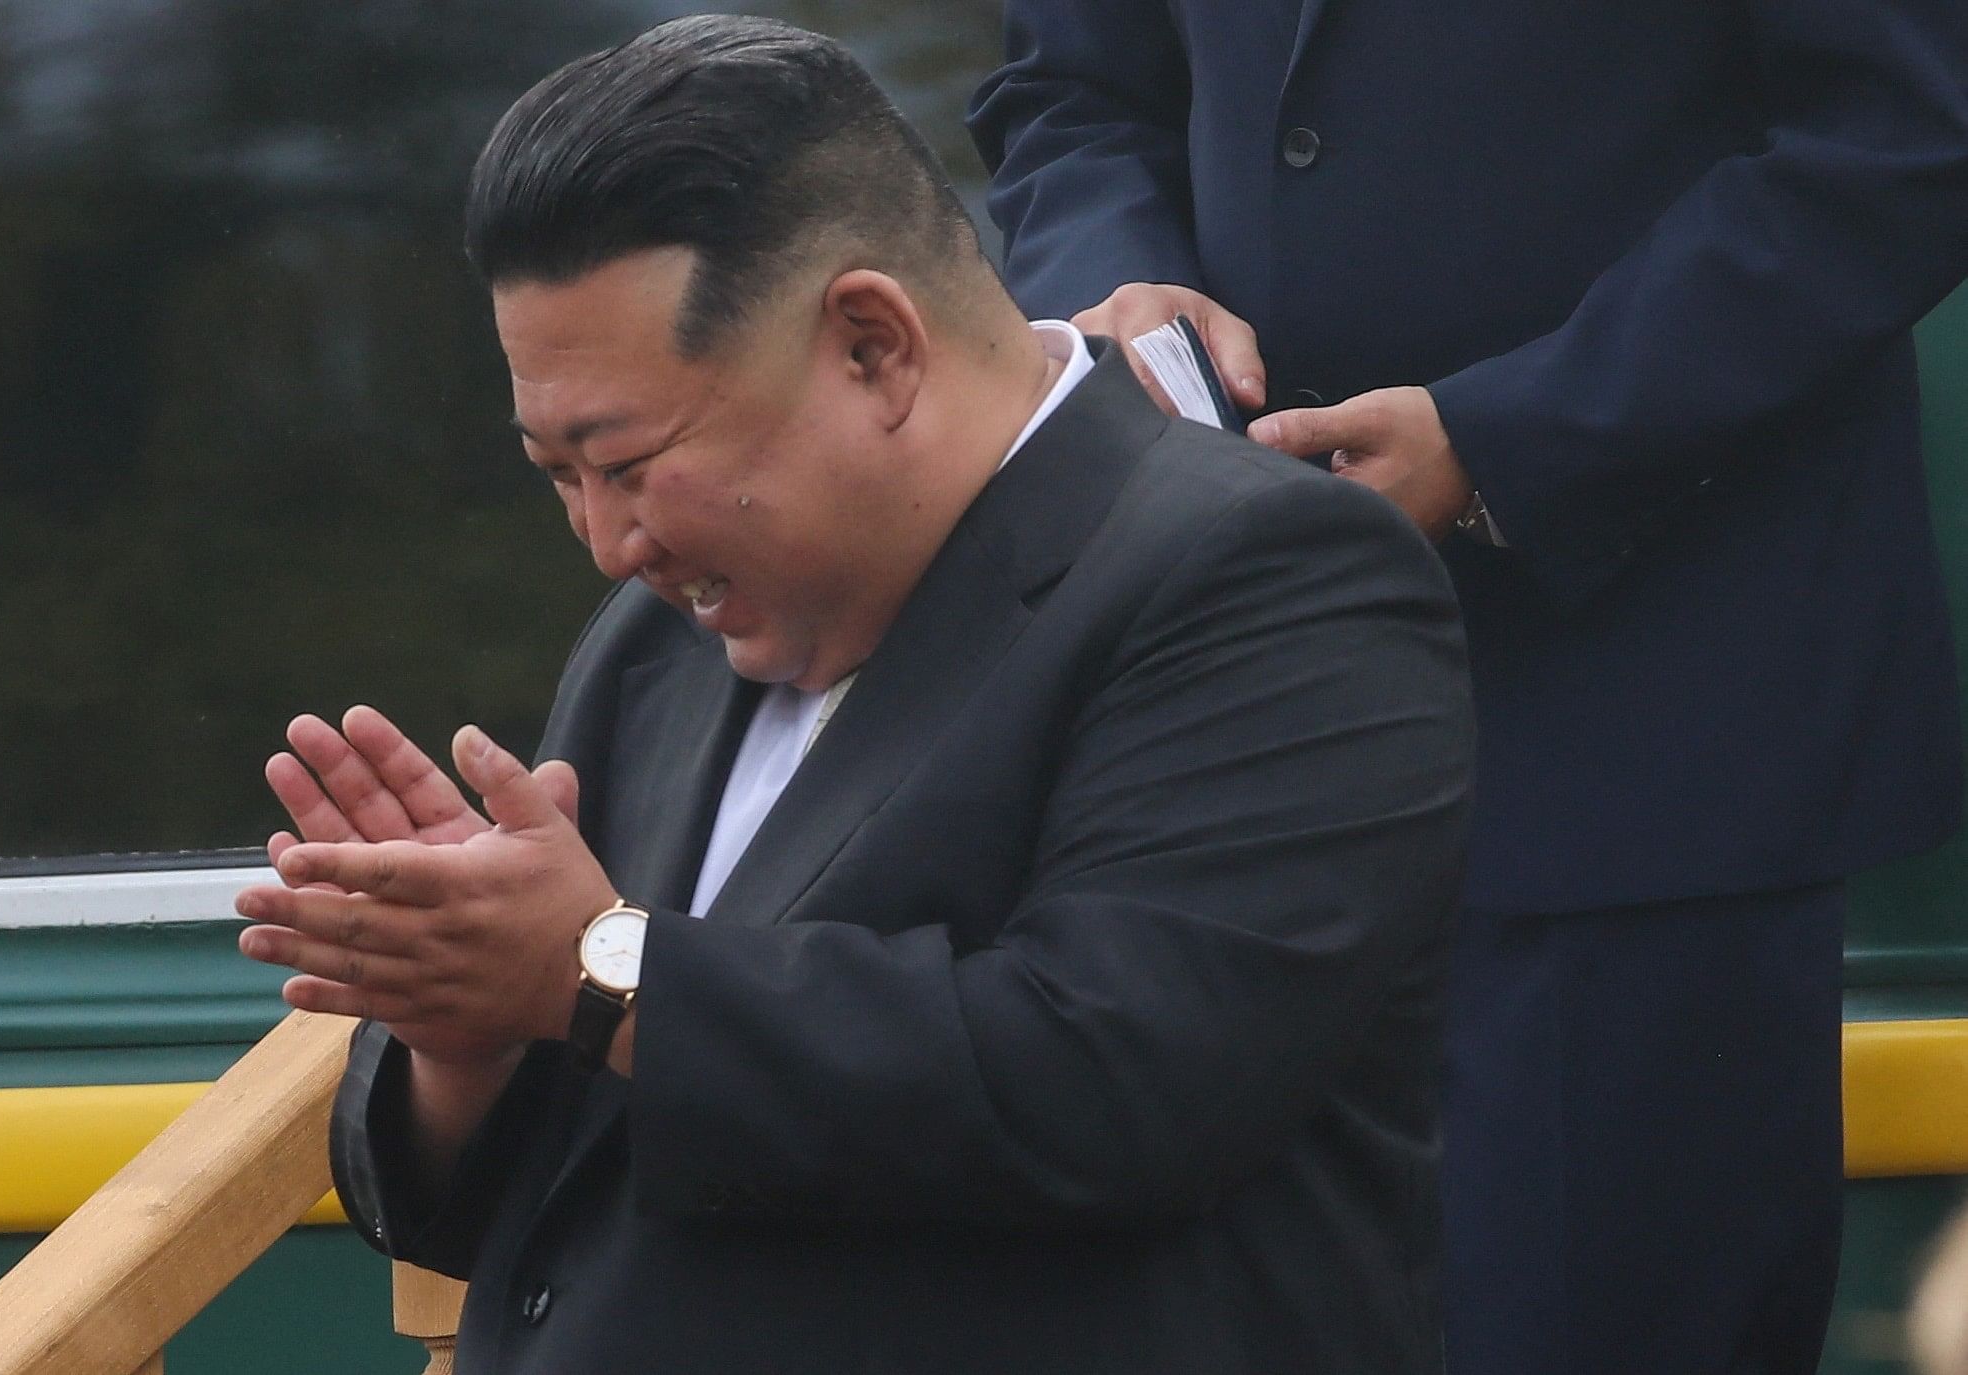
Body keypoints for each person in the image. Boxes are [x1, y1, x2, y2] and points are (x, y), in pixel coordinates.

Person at [235, 16, 1472, 1373]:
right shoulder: (651, 643)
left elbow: (1110, 1088)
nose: (605, 541)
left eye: (629, 461)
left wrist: (587, 970)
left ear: (872, 345)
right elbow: (513, 1203)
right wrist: (462, 1029)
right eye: (554, 474)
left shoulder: (1264, 573)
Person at [967, 3, 1968, 1371]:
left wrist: (1513, 441)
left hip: (1642, 747)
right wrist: (1119, 288)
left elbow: (1908, 132)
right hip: (1208, 736)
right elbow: (1069, 92)